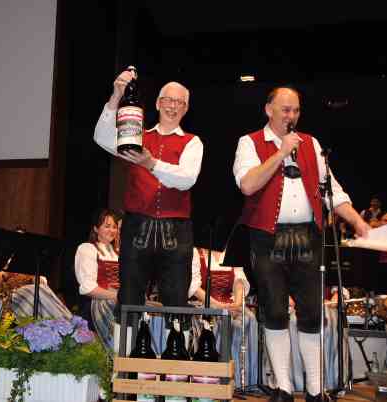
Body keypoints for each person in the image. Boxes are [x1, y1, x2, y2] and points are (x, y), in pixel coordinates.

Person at [233, 87, 370, 402]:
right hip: (267, 237)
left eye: (295, 110)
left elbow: (331, 190)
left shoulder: (311, 143)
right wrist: (280, 153)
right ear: (269, 109)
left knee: (311, 313)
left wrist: (357, 221)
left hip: (308, 236)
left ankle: (314, 389)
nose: (291, 116)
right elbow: (248, 185)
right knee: (274, 311)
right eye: (285, 110)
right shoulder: (249, 142)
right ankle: (283, 387)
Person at [94, 69, 203, 326]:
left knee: (176, 302)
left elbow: (187, 178)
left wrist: (151, 163)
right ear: (157, 103)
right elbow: (101, 137)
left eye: (179, 102)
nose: (172, 106)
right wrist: (116, 96)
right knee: (129, 299)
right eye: (168, 100)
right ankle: (125, 353)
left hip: (176, 230)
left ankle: (176, 353)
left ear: (186, 109)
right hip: (137, 226)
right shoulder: (137, 135)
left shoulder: (193, 142)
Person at [189, 247, 258, 389]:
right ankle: (219, 377)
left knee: (249, 318)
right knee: (222, 321)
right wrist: (218, 306)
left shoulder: (230, 252)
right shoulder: (197, 253)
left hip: (230, 303)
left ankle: (244, 380)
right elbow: (194, 288)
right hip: (206, 304)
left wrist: (236, 303)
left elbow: (239, 281)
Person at [74, 209, 120, 351]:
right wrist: (117, 295)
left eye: (114, 227)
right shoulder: (87, 249)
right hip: (96, 308)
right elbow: (88, 288)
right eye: (107, 226)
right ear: (95, 228)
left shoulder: (119, 253)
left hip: (117, 306)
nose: (112, 230)